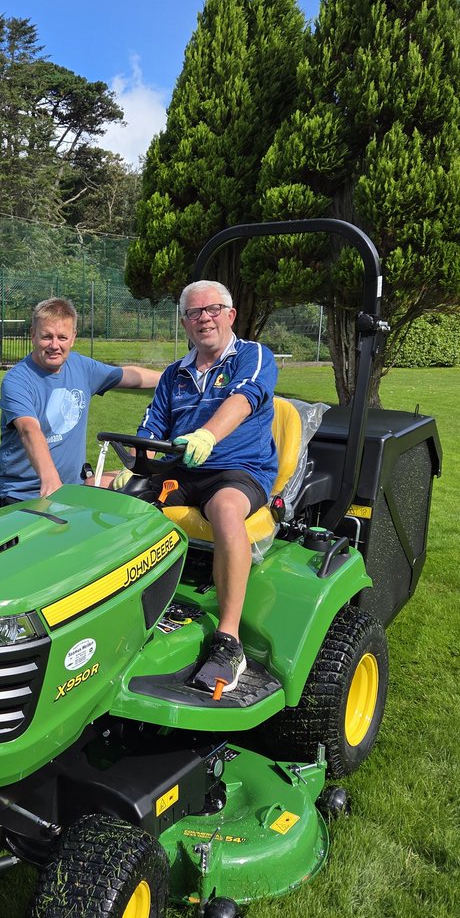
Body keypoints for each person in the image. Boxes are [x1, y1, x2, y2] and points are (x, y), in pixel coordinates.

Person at [135, 280, 278, 694]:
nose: (204, 318)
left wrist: (208, 435)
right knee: (116, 499)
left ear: (230, 315)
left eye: (213, 309)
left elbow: (243, 399)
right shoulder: (173, 375)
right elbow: (152, 428)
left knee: (226, 509)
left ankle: (229, 641)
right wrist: (136, 468)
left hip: (237, 468)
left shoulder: (251, 356)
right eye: (194, 313)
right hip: (184, 468)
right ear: (185, 322)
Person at [0, 298, 161, 506]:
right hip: (23, 495)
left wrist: (172, 376)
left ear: (73, 338)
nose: (54, 345)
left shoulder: (82, 367)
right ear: (33, 335)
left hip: (72, 491)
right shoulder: (17, 380)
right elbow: (30, 430)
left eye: (62, 337)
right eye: (47, 336)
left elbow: (129, 376)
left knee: (139, 489)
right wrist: (50, 480)